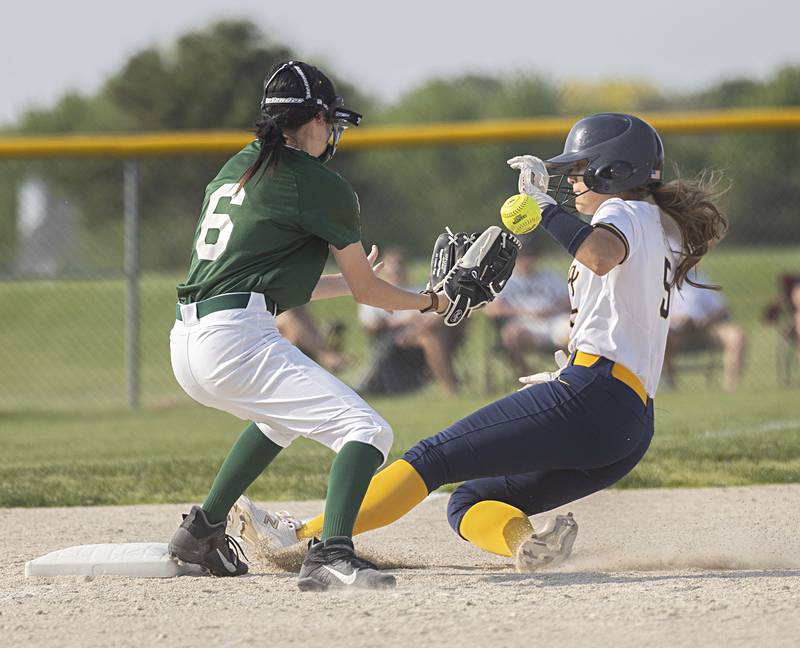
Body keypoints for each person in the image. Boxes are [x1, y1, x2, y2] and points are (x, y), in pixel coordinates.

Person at [231, 113, 728, 571]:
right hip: (629, 423)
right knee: (467, 501)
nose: (571, 181)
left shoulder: (624, 210)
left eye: (579, 170)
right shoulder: (657, 226)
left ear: (613, 171)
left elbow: (599, 255)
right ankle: (527, 546)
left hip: (596, 395)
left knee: (429, 458)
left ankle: (302, 535)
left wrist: (543, 208)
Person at [167, 60, 449, 591]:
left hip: (189, 343)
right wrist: (431, 301)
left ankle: (201, 532)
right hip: (236, 340)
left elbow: (273, 286)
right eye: (330, 121)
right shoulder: (320, 182)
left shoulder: (238, 168)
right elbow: (372, 295)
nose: (333, 132)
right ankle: (332, 555)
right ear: (315, 120)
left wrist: (356, 283)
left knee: (280, 420)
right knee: (366, 431)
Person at [357, 248, 464, 396]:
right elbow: (370, 324)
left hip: (425, 331)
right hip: (394, 338)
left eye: (400, 267)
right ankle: (450, 387)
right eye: (393, 269)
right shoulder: (376, 293)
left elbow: (436, 313)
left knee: (435, 328)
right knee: (428, 338)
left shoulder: (420, 289)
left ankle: (449, 386)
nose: (397, 272)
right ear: (384, 270)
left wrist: (417, 325)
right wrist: (402, 322)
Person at [484, 239, 571, 377]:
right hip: (524, 324)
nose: (527, 260)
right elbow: (491, 309)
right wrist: (524, 311)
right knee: (511, 335)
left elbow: (568, 301)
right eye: (522, 256)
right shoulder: (504, 280)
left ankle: (570, 374)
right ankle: (525, 375)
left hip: (554, 320)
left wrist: (550, 310)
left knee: (576, 328)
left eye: (530, 255)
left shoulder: (550, 275)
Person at [663, 272, 747, 391]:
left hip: (704, 330)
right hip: (675, 333)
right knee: (662, 339)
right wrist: (679, 320)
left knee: (736, 335)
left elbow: (722, 309)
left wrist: (706, 320)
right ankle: (671, 387)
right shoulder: (661, 280)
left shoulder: (700, 280)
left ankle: (731, 388)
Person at [276, 306, 349, 373]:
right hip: (287, 348)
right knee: (289, 315)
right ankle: (323, 353)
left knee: (297, 308)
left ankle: (323, 351)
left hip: (301, 348)